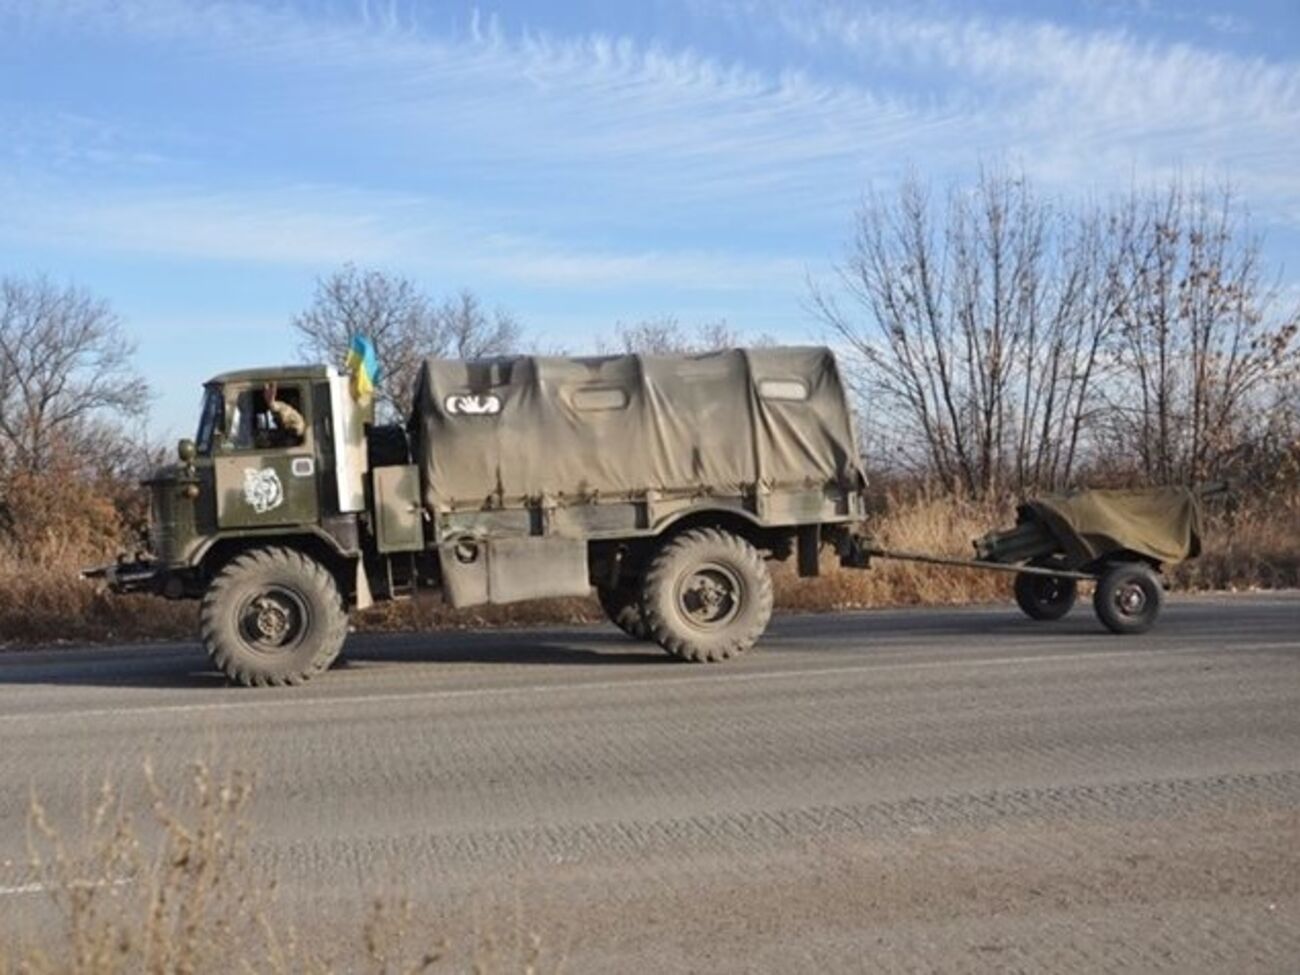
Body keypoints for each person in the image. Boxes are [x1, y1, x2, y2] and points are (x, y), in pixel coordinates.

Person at [260, 381, 306, 447]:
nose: (274, 419)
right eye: (274, 417)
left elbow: (284, 411)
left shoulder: (297, 424)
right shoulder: (278, 433)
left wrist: (272, 404)